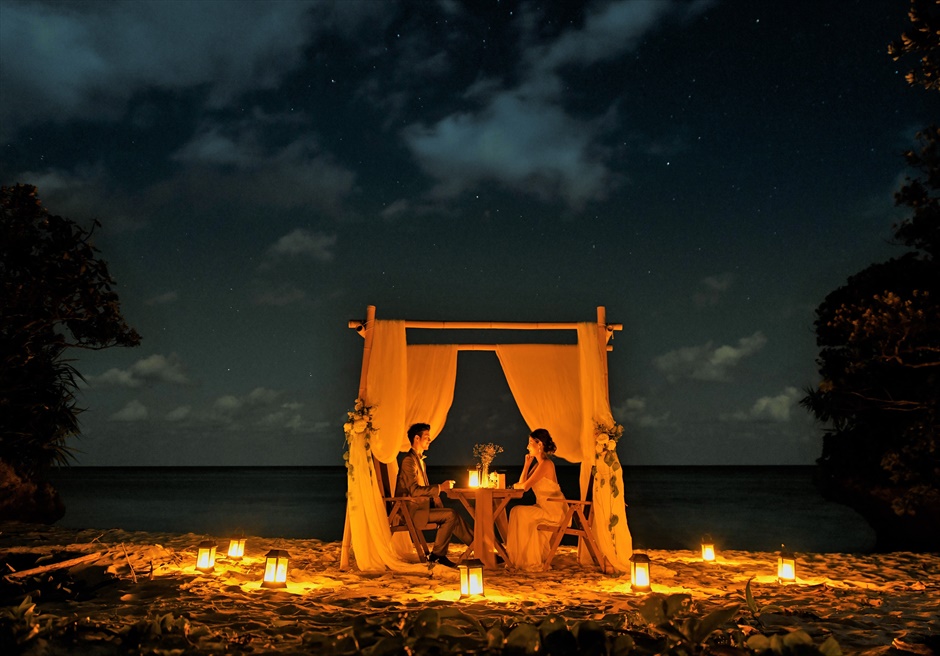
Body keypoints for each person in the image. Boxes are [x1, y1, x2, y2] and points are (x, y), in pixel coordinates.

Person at [395, 422, 473, 568]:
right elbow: (414, 490)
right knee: (450, 515)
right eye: (427, 437)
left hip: (421, 507)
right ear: (417, 438)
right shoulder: (408, 461)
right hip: (411, 511)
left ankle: (478, 547)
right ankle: (438, 555)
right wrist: (440, 488)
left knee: (453, 515)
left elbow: (422, 490)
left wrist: (438, 494)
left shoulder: (420, 461)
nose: (430, 440)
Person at [503, 428, 567, 571]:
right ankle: (520, 558)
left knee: (519, 512)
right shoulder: (538, 465)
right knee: (516, 511)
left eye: (530, 443)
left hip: (553, 510)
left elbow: (523, 487)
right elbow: (523, 484)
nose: (527, 447)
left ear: (539, 445)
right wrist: (526, 465)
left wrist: (517, 485)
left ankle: (529, 560)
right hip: (543, 507)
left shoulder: (546, 464)